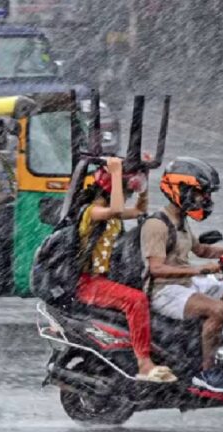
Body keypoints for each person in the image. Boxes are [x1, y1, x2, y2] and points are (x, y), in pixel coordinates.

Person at [140, 157, 223, 393]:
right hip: (163, 290)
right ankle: (207, 371)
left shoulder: (181, 221)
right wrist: (199, 269)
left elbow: (202, 250)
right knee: (217, 309)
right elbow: (156, 269)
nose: (205, 200)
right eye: (200, 193)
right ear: (181, 190)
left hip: (186, 283)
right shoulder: (157, 224)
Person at [76, 156, 176, 383]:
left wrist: (145, 177)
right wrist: (115, 173)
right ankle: (143, 363)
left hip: (107, 279)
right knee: (136, 300)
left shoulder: (113, 213)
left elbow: (140, 209)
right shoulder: (90, 212)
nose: (127, 195)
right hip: (88, 282)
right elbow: (117, 208)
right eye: (123, 190)